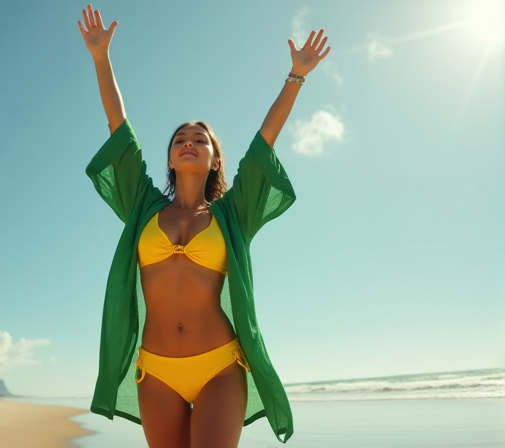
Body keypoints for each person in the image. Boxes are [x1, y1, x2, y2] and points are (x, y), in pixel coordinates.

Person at [78, 4, 330, 447]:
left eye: (200, 139)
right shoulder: (142, 204)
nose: (189, 143)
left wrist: (296, 76)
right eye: (180, 139)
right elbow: (119, 127)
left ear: (214, 159)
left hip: (219, 365)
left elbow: (264, 142)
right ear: (170, 159)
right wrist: (101, 57)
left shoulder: (232, 214)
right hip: (154, 371)